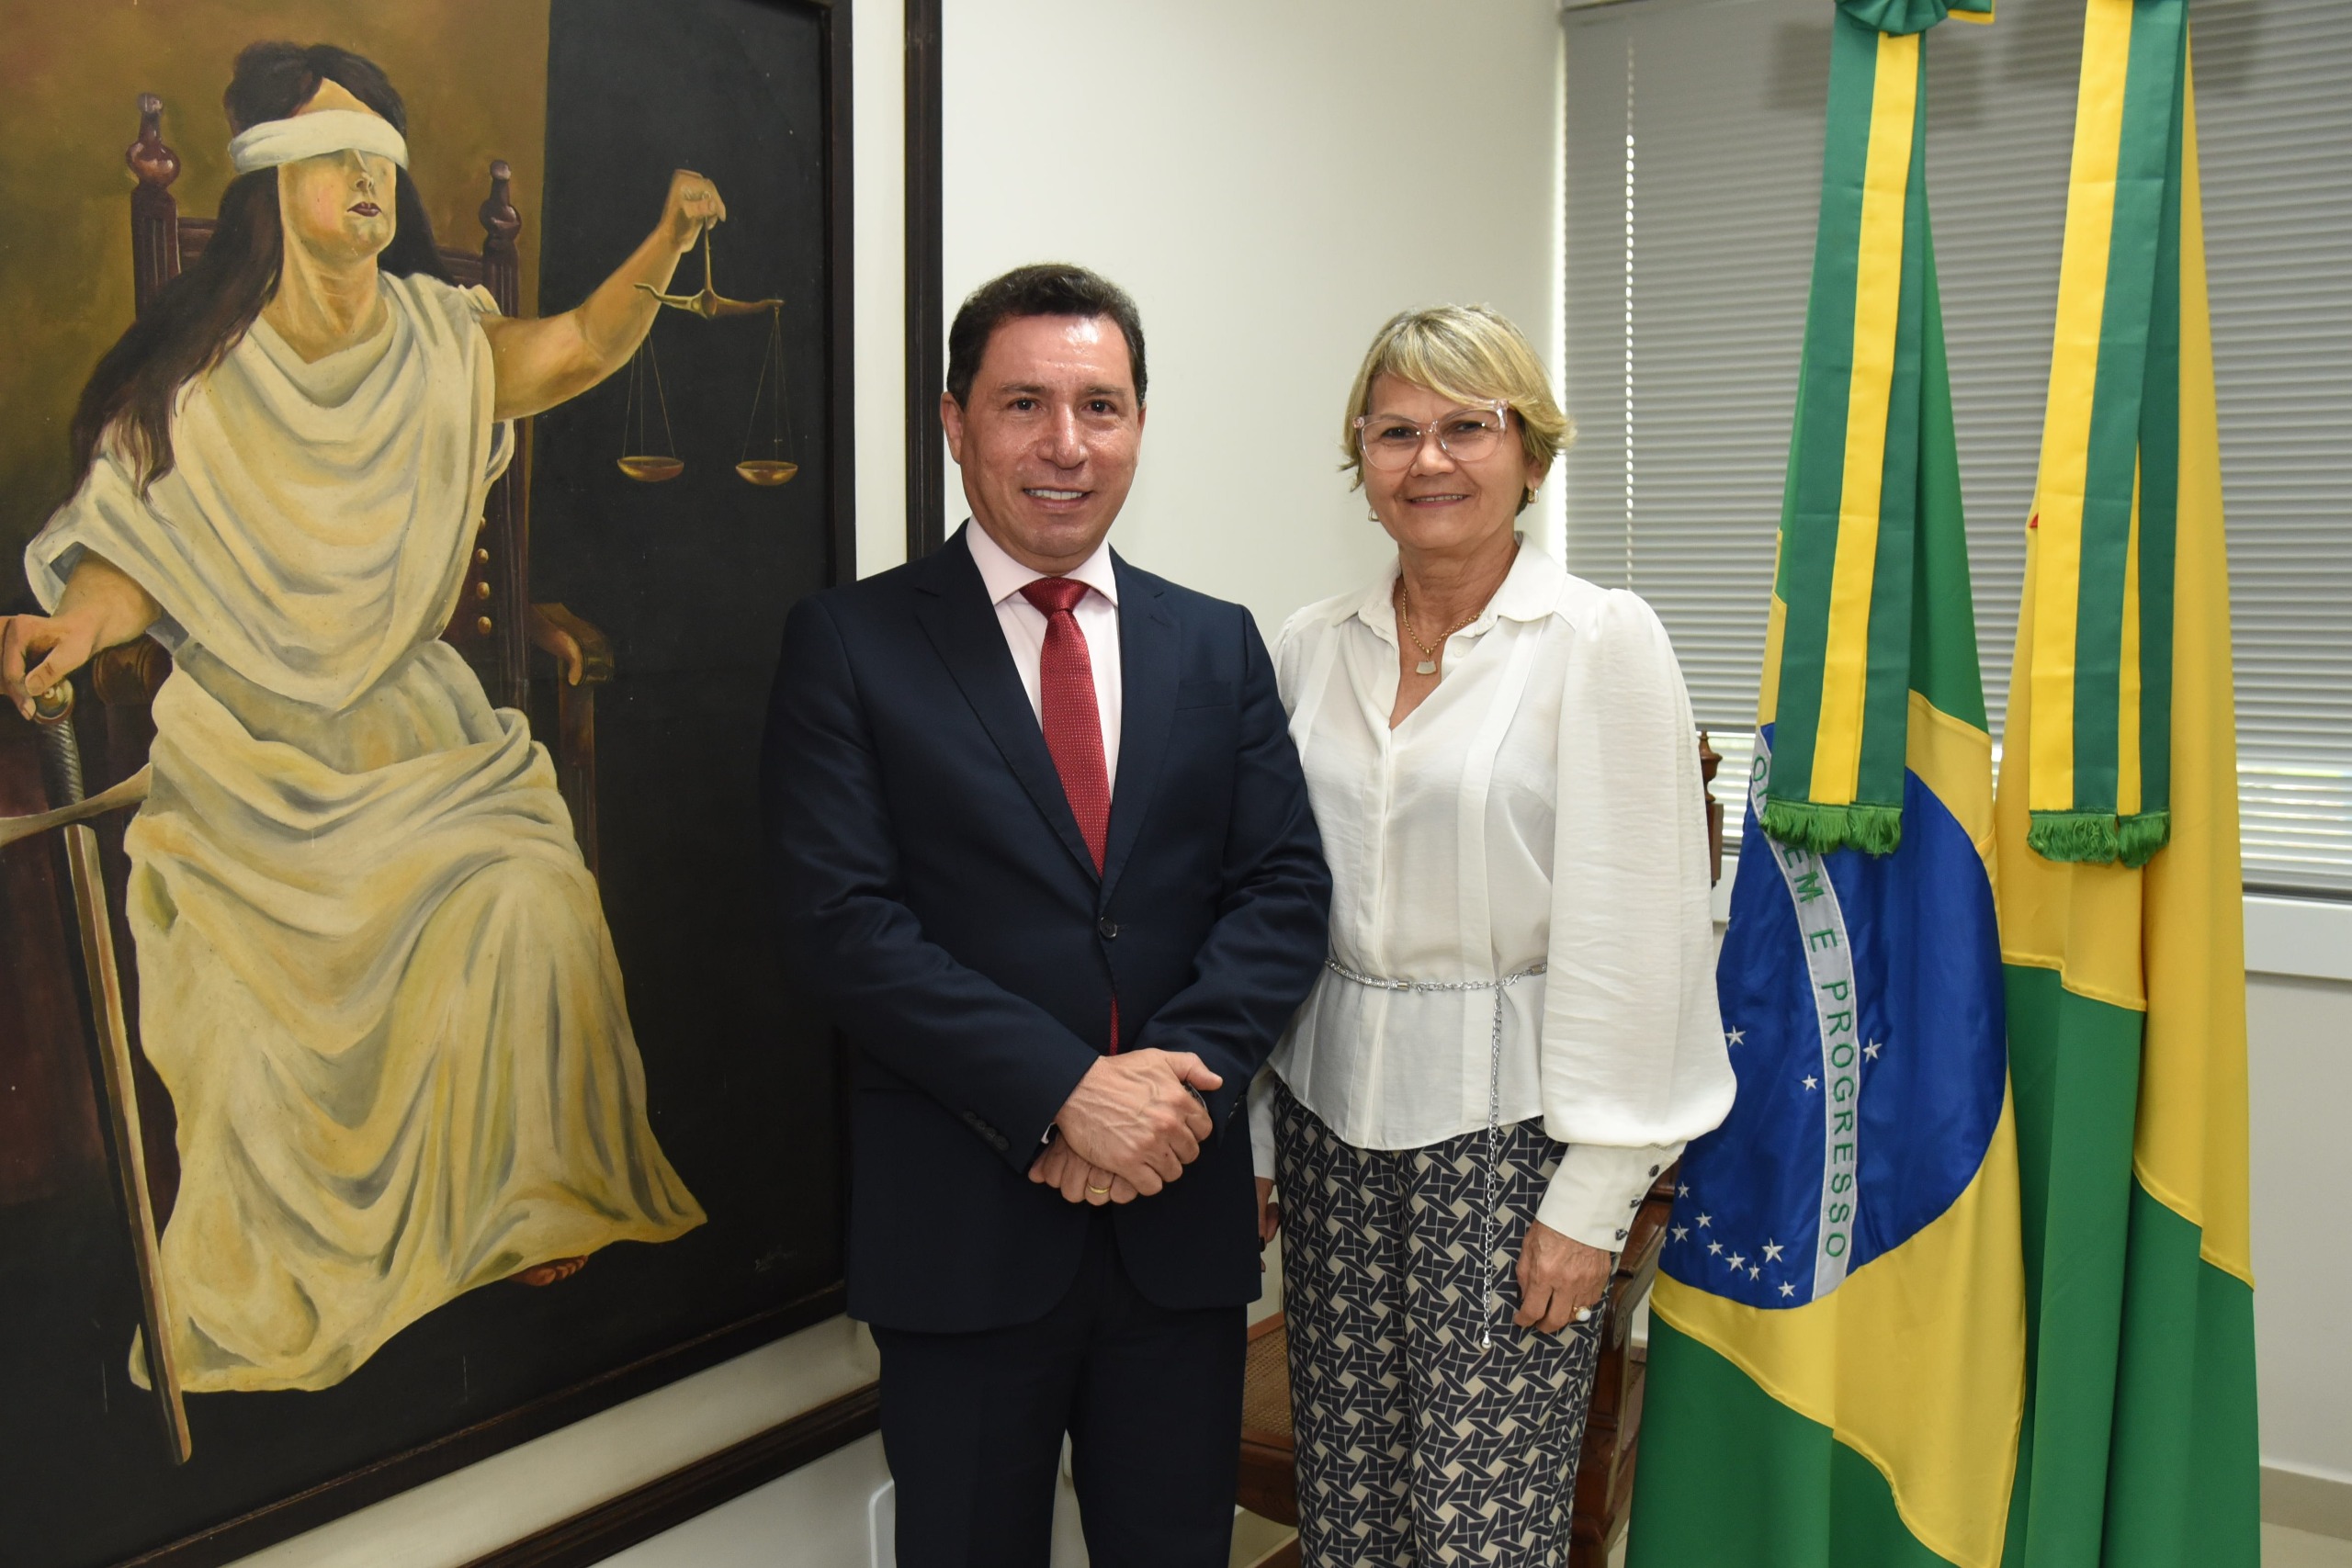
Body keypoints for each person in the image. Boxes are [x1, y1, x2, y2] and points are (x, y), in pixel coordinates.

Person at [0, 42, 714, 1393]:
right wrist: (69, 630)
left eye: (380, 157)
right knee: (247, 989)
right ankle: (315, 1278)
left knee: (529, 899)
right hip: (250, 762)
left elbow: (577, 347)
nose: (369, 179)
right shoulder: (197, 383)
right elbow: (126, 562)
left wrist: (671, 241)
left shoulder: (444, 343)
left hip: (419, 741)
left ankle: (528, 1201)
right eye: (337, 157)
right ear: (273, 186)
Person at [762, 264, 1330, 1568]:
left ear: (1139, 423)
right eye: (1024, 404)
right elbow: (840, 921)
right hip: (963, 1232)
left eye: (1100, 405)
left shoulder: (1214, 642)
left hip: (1175, 1236)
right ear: (956, 422)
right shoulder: (849, 645)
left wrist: (1167, 1098)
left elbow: (1283, 888)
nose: (1065, 445)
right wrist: (1067, 1089)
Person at [1249, 305, 1734, 1566]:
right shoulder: (1312, 648)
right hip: (1324, 1127)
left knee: (1480, 1530)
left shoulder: (1598, 643)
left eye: (1470, 426)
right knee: (1353, 1507)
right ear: (1361, 460)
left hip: (1513, 1143)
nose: (1431, 460)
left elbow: (1645, 934)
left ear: (1529, 450)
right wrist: (1253, 1129)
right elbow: (1269, 900)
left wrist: (1598, 1192)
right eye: (1397, 430)